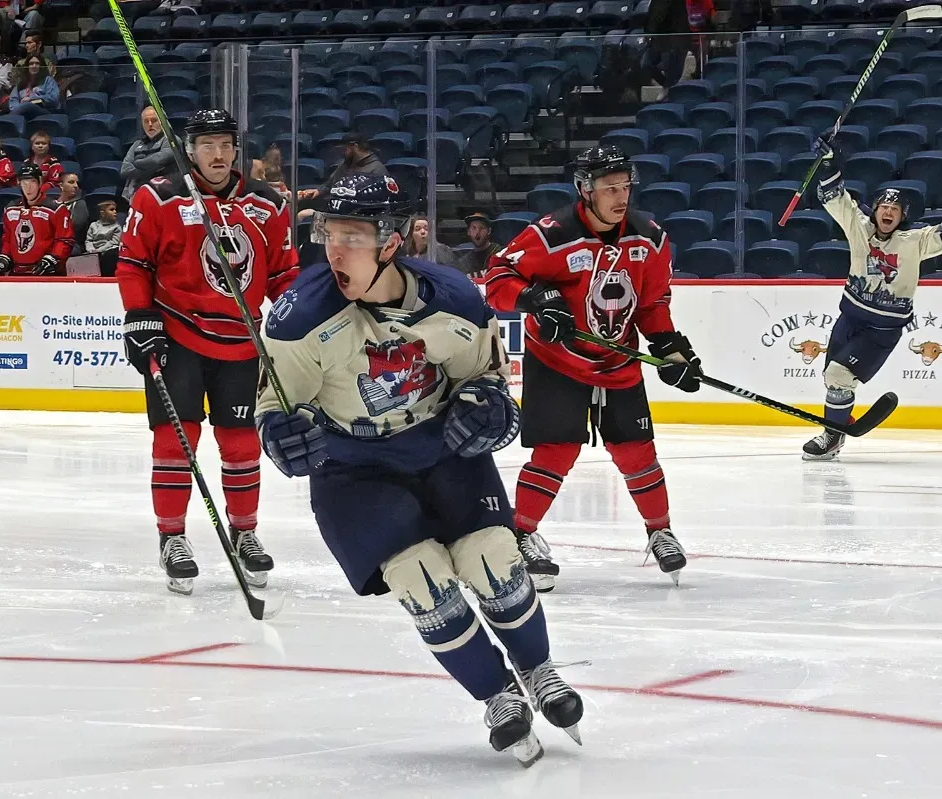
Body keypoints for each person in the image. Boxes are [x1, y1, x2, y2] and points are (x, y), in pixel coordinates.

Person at [256, 171, 583, 765]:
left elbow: (485, 375)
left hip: (443, 452)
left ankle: (539, 670)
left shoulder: (455, 297)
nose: (334, 249)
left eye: (352, 235)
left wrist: (485, 405)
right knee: (420, 578)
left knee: (493, 559)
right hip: (354, 470)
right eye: (328, 232)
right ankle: (499, 694)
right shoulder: (298, 320)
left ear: (391, 242)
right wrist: (280, 433)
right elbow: (278, 405)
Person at [484, 145, 701, 591]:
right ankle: (520, 536)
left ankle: (659, 530)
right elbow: (498, 278)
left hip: (619, 360)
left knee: (637, 450)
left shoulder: (649, 237)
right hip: (557, 358)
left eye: (626, 186)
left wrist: (670, 348)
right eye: (610, 188)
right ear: (585, 190)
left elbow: (653, 303)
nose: (621, 196)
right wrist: (537, 300)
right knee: (556, 450)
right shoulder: (551, 234)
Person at [116, 109, 298, 595]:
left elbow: (283, 275)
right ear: (190, 149)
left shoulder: (268, 204)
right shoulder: (158, 198)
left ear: (237, 149)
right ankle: (171, 537)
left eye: (225, 144)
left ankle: (245, 534)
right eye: (207, 145)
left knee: (241, 444)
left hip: (242, 340)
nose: (217, 155)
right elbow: (133, 263)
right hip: (177, 336)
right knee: (177, 442)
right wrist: (139, 316)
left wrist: (299, 325)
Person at [801, 136, 942, 460]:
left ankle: (830, 435)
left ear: (902, 216)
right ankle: (836, 432)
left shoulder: (913, 242)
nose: (888, 212)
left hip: (881, 331)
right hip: (849, 319)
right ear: (876, 210)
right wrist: (828, 162)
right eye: (884, 206)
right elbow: (836, 198)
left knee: (839, 375)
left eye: (895, 209)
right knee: (833, 379)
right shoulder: (859, 228)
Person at [0, 162, 74, 276]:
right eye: (24, 183)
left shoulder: (56, 208)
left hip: (46, 273)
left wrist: (54, 258)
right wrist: (5, 255)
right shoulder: (10, 209)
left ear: (40, 182)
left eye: (32, 182)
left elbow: (65, 239)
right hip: (17, 273)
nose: (28, 187)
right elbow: (8, 239)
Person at [297, 132, 387, 202]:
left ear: (355, 147)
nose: (343, 152)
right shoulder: (346, 165)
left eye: (346, 149)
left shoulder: (377, 169)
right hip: (337, 211)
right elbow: (330, 184)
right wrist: (318, 191)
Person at [121, 105, 180, 200]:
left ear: (163, 121)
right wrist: (154, 169)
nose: (150, 124)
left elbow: (157, 161)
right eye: (146, 121)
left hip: (165, 195)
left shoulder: (172, 140)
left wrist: (137, 163)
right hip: (137, 195)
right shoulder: (136, 144)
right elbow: (125, 170)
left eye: (154, 120)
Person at [456, 211, 502, 277]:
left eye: (482, 228)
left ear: (489, 231)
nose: (477, 232)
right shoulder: (464, 262)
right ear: (469, 232)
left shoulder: (499, 254)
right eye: (474, 228)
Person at [84, 196, 121, 277]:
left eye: (115, 210)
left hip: (107, 252)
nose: (115, 212)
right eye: (111, 210)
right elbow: (89, 240)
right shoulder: (93, 225)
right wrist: (91, 250)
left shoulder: (116, 227)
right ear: (103, 213)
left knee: (113, 252)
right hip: (93, 252)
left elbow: (114, 242)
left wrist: (99, 251)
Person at [56, 172, 88, 246]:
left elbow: (76, 225)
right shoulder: (52, 204)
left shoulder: (80, 204)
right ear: (61, 186)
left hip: (72, 244)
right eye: (71, 182)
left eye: (77, 183)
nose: (76, 186)